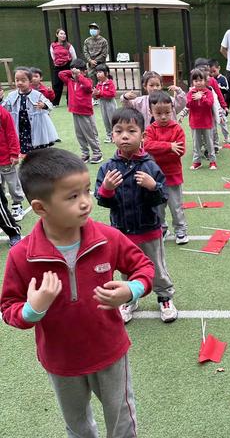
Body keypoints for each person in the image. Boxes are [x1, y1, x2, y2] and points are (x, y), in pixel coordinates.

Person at [0, 147, 155, 436]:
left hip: (110, 351)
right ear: (41, 208)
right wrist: (33, 308)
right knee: (77, 425)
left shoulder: (108, 238)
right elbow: (9, 307)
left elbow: (144, 268)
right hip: (61, 359)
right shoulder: (23, 256)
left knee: (122, 420)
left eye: (86, 191)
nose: (86, 202)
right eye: (73, 197)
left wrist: (131, 289)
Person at [95, 108, 178, 324]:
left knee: (157, 268)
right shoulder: (108, 168)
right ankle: (130, 298)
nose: (124, 135)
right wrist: (107, 189)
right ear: (112, 135)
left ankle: (164, 297)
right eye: (118, 131)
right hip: (121, 232)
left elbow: (162, 196)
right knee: (126, 269)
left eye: (131, 130)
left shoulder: (150, 165)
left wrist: (153, 187)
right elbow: (103, 201)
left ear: (143, 135)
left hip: (149, 229)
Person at [144, 91, 188, 245]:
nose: (163, 117)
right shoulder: (150, 129)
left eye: (167, 113)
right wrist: (169, 146)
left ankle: (181, 230)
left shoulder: (177, 129)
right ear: (151, 112)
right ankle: (162, 228)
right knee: (158, 206)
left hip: (173, 175)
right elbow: (147, 145)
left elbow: (181, 151)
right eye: (158, 113)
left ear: (172, 110)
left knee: (176, 206)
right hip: (155, 177)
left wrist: (160, 150)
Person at [1, 67, 58, 155]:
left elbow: (50, 105)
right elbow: (4, 108)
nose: (20, 83)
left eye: (23, 80)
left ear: (30, 82)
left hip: (35, 126)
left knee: (38, 150)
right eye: (17, 80)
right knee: (23, 149)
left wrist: (43, 105)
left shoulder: (37, 95)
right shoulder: (11, 95)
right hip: (20, 127)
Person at [59, 58, 103, 164]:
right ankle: (85, 153)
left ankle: (97, 153)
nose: (75, 74)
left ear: (84, 71)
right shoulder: (70, 80)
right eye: (73, 71)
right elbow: (61, 74)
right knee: (80, 135)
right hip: (75, 111)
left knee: (90, 134)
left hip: (86, 113)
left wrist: (80, 76)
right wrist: (73, 71)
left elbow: (88, 86)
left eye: (78, 71)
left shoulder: (87, 81)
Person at [121, 71, 186, 129]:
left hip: (169, 133)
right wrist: (125, 97)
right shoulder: (140, 101)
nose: (155, 88)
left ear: (161, 86)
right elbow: (128, 106)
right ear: (145, 86)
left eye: (157, 85)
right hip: (149, 136)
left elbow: (181, 104)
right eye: (151, 85)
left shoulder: (169, 100)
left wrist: (179, 91)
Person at [187, 69, 216, 170]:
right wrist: (195, 98)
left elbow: (209, 104)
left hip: (207, 123)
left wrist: (202, 98)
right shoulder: (191, 93)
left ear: (205, 81)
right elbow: (189, 105)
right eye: (196, 81)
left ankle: (212, 161)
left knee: (209, 143)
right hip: (195, 123)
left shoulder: (208, 92)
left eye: (200, 80)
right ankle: (197, 162)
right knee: (196, 144)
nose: (198, 83)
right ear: (192, 82)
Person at [0, 105, 24, 222]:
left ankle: (17, 204)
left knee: (13, 184)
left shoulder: (3, 113)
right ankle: (2, 208)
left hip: (6, 158)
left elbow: (11, 134)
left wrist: (14, 153)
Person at [49, 28, 77, 106]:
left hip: (68, 66)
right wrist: (57, 62)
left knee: (70, 84)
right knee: (56, 85)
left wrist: (73, 66)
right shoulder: (53, 45)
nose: (63, 35)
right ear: (57, 35)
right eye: (61, 34)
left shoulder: (69, 45)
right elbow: (53, 56)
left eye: (64, 34)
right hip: (57, 66)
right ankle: (55, 103)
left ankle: (70, 102)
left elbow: (74, 57)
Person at [92, 63, 117, 143]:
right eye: (97, 72)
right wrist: (95, 94)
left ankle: (115, 135)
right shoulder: (98, 84)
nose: (98, 74)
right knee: (105, 120)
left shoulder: (110, 83)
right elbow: (98, 96)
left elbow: (112, 94)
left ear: (106, 73)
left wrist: (100, 93)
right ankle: (109, 135)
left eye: (100, 72)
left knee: (112, 120)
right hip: (102, 104)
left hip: (110, 104)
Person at [83, 23, 109, 87]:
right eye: (91, 28)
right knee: (91, 83)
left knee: (102, 83)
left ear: (99, 30)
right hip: (90, 66)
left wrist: (95, 61)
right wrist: (90, 60)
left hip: (101, 65)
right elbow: (85, 52)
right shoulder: (87, 41)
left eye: (95, 28)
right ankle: (93, 96)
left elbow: (104, 54)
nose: (93, 30)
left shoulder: (103, 41)